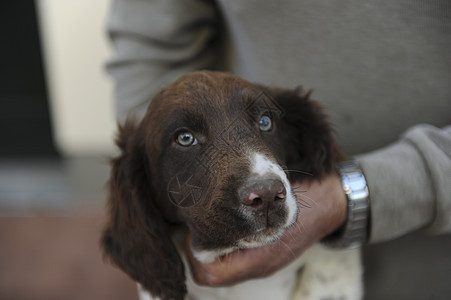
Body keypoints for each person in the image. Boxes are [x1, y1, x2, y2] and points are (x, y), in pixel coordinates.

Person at [106, 0, 451, 292]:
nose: (262, 189)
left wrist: (345, 196)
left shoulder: (301, 134)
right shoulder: (142, 172)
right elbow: (149, 45)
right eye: (184, 138)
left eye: (264, 121)